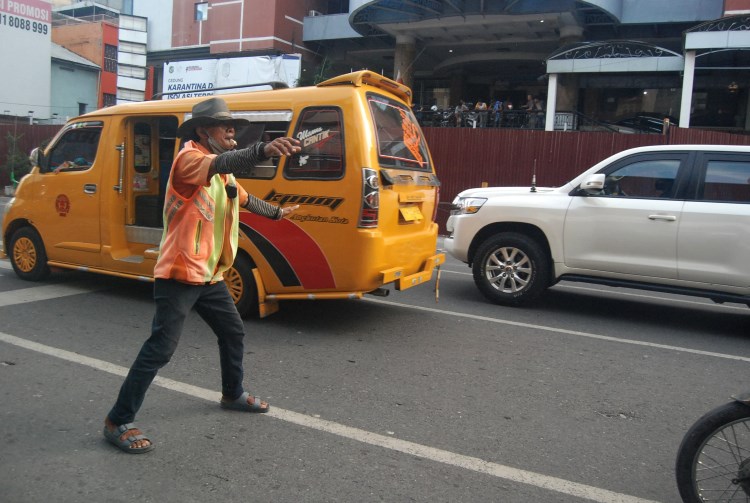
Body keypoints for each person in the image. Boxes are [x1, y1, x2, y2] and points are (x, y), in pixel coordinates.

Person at [102, 96, 301, 454]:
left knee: (233, 331)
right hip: (179, 273)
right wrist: (264, 149)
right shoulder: (189, 160)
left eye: (232, 127)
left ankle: (232, 393)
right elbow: (226, 160)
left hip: (209, 274)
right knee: (161, 348)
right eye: (224, 125)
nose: (231, 131)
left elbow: (243, 197)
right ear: (202, 130)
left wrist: (277, 213)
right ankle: (118, 419)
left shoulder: (220, 171)